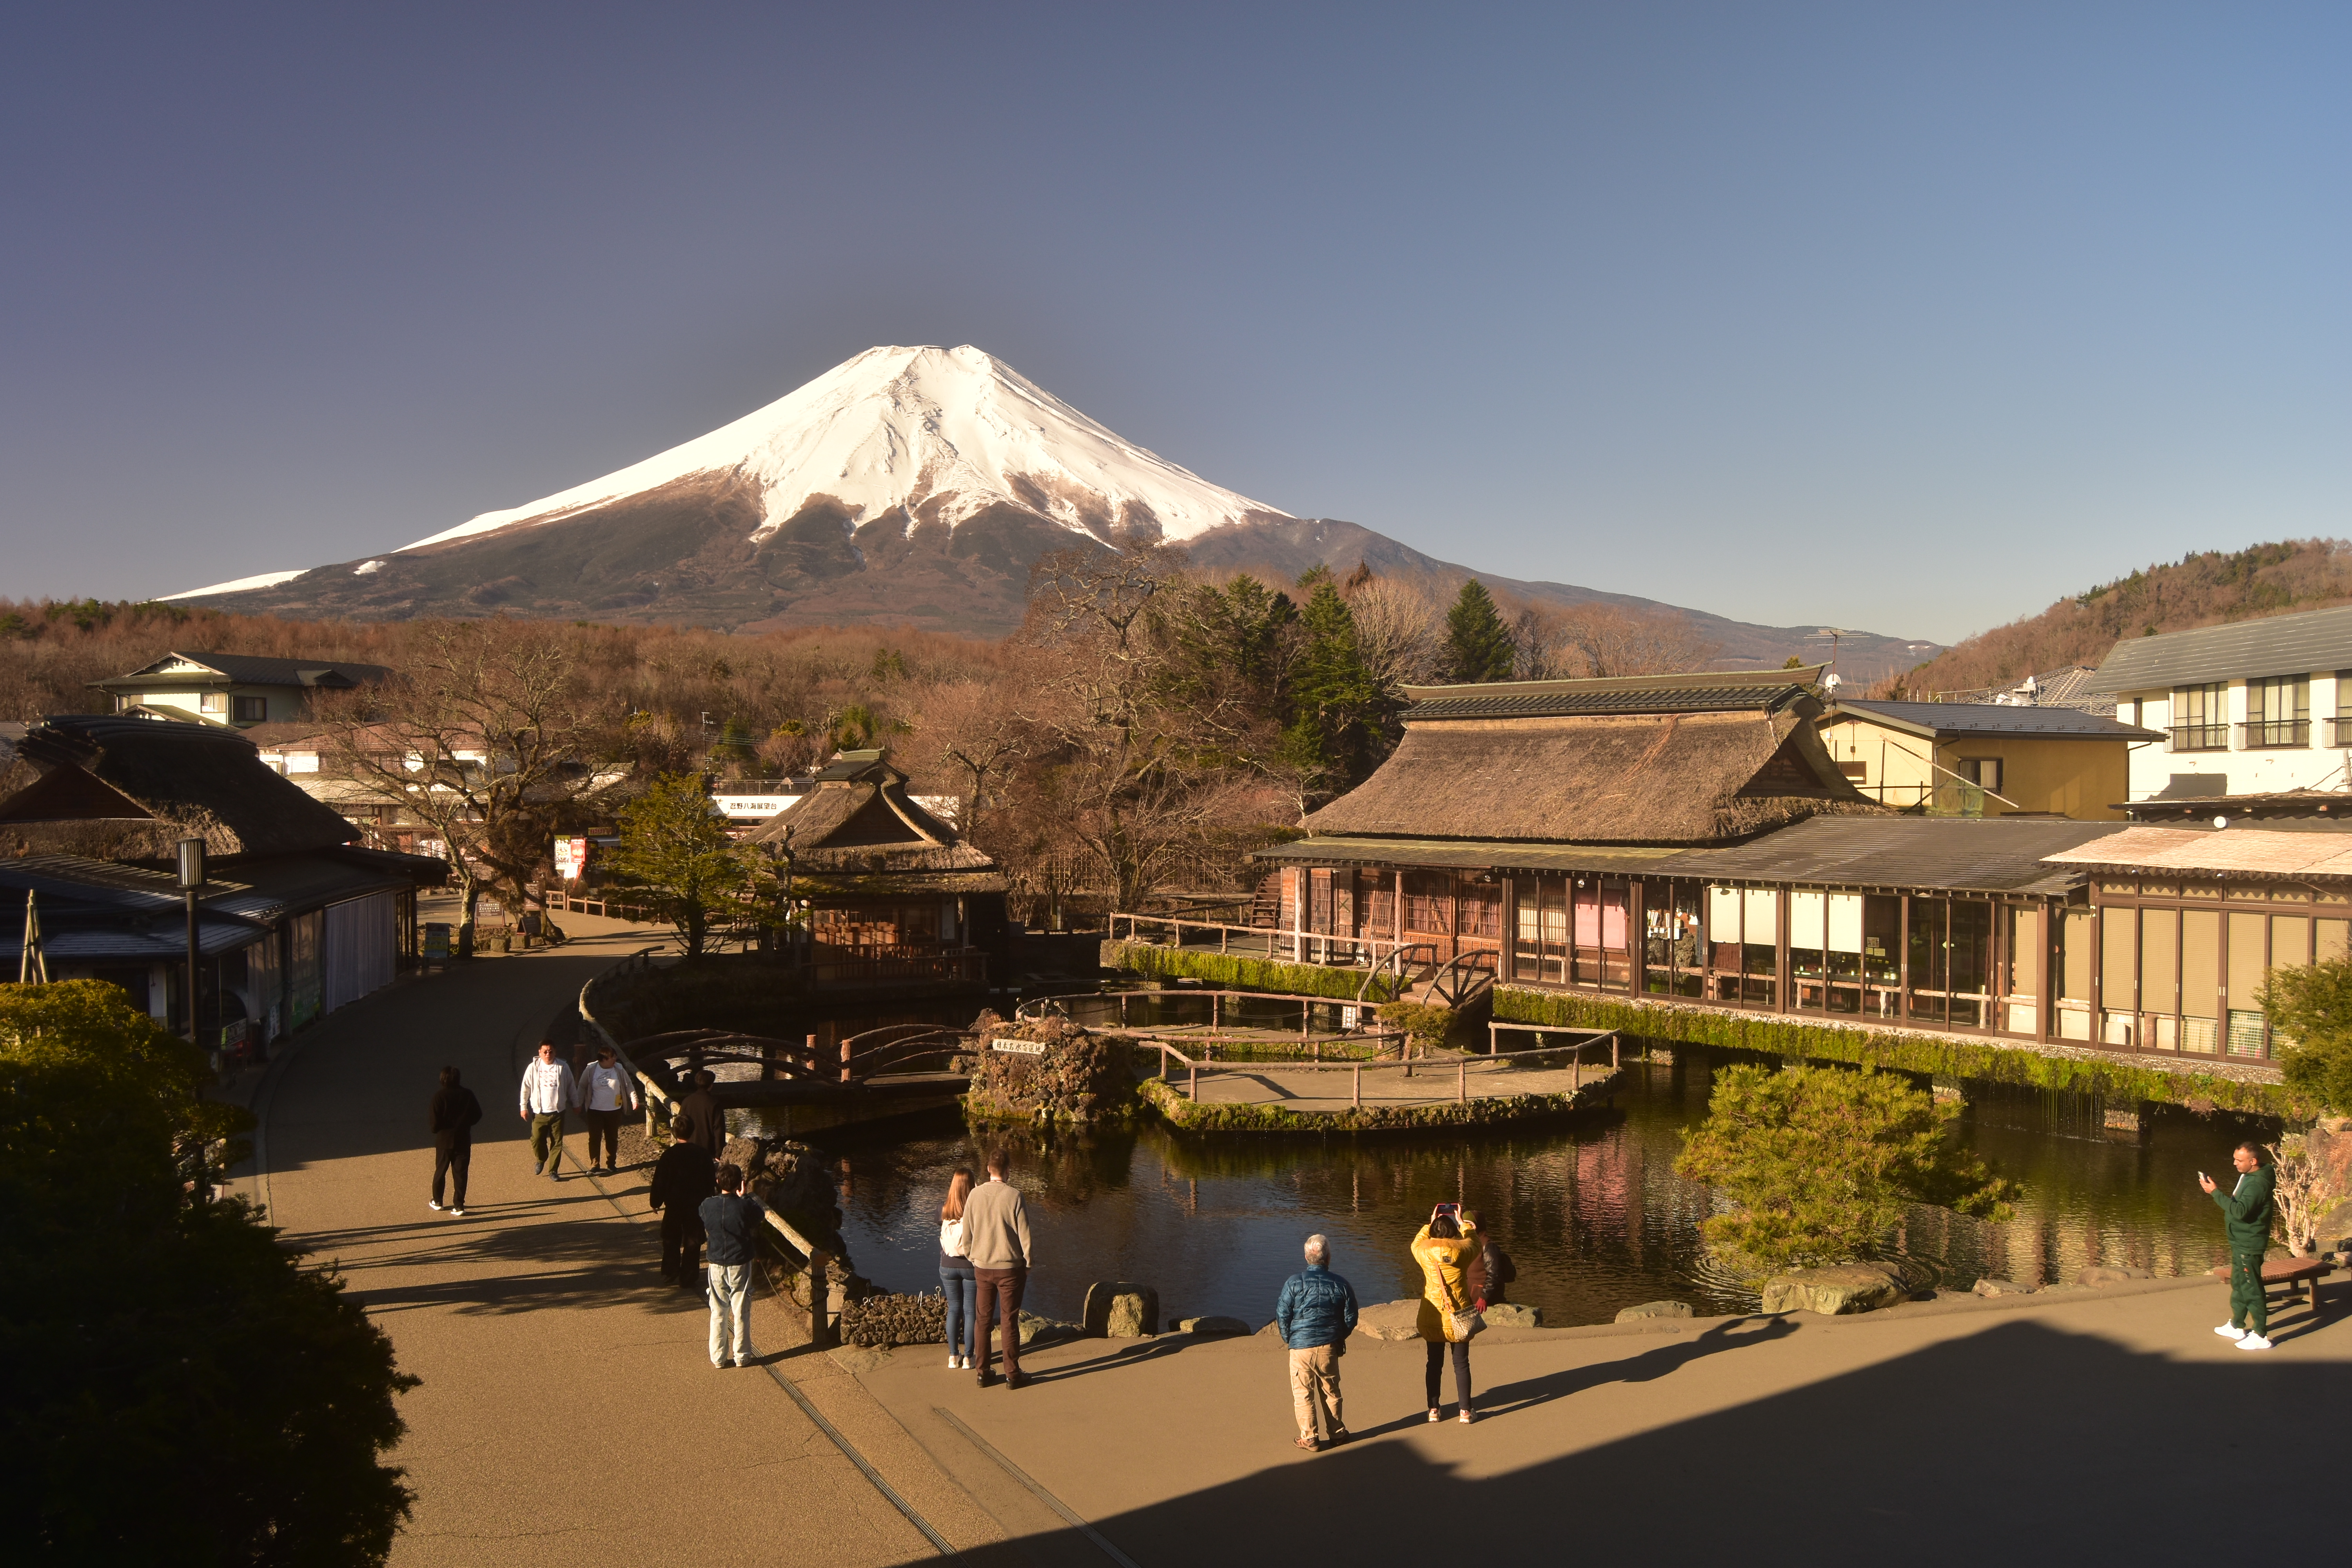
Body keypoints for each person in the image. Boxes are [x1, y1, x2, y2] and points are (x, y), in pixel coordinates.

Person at [1274, 1233, 1359, 1452]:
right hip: (1328, 1345)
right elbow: (1351, 1317)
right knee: (1331, 1391)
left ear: (1306, 1257)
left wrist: (1289, 1338)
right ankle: (1337, 1433)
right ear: (1328, 1257)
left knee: (1303, 1393)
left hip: (1300, 1345)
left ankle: (1310, 1437)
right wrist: (1339, 1336)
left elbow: (1283, 1314)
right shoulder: (1342, 1284)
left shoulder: (1293, 1282)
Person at [960, 1147, 1034, 1389]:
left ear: (988, 1169)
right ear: (1008, 1170)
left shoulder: (974, 1195)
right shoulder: (1015, 1196)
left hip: (982, 1266)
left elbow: (967, 1233)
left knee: (982, 1319)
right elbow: (1025, 1236)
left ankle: (982, 1372)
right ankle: (1012, 1374)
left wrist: (973, 1257)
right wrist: (1029, 1263)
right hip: (1011, 1269)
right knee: (1009, 1320)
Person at [2201, 1142, 2278, 1351]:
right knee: (2239, 1282)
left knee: (2251, 1287)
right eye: (2235, 1158)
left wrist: (2215, 1193)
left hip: (2249, 1243)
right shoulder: (2250, 1176)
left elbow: (2241, 1211)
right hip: (2239, 1241)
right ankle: (2237, 1325)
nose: (2235, 1163)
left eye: (2239, 1160)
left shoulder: (2257, 1184)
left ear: (2253, 1161)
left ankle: (2261, 1334)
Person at [1414, 1203, 1481, 1423]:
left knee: (1434, 1364)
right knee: (1461, 1363)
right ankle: (1465, 1411)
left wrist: (1429, 1222)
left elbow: (1416, 1243)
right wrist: (1464, 1224)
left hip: (1432, 1316)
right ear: (1454, 1232)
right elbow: (1475, 1243)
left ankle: (1434, 1410)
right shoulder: (1462, 1251)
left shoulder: (1423, 1252)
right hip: (1458, 1316)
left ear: (1433, 1230)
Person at [699, 1163, 768, 1368]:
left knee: (718, 1311)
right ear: (740, 1184)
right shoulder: (745, 1206)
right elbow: (759, 1215)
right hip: (740, 1262)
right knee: (741, 1309)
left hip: (716, 1263)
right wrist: (744, 1196)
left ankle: (718, 1357)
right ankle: (742, 1355)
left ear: (718, 1182)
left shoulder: (707, 1205)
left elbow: (702, 1216)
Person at [648, 1113, 717, 1290]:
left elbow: (660, 1181)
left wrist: (656, 1201)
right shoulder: (702, 1155)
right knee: (693, 1241)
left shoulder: (669, 1155)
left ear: (674, 1132)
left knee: (671, 1238)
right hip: (696, 1205)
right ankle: (688, 1276)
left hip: (674, 1204)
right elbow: (710, 1181)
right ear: (692, 1131)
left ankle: (670, 1271)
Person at [517, 1040, 576, 1180]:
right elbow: (525, 1088)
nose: (548, 1054)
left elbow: (571, 1086)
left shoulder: (563, 1067)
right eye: (545, 1052)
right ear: (540, 1053)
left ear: (555, 1052)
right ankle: (541, 1159)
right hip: (540, 1113)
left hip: (558, 1112)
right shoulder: (533, 1068)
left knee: (557, 1142)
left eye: (551, 1051)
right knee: (537, 1139)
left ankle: (553, 1171)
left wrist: (576, 1103)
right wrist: (523, 1107)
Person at [428, 1065, 483, 1214]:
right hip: (463, 1139)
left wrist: (439, 1129)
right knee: (460, 1173)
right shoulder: (467, 1095)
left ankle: (438, 1201)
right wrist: (465, 1124)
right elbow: (478, 1114)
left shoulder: (439, 1097)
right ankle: (459, 1205)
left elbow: (434, 1123)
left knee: (441, 1171)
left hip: (444, 1141)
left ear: (443, 1079)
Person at [938, 1167, 978, 1371]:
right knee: (971, 1311)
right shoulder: (976, 1208)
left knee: (954, 1309)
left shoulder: (944, 1208)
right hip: (970, 1266)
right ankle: (969, 1358)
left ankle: (953, 1356)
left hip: (947, 1266)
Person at [579, 1045, 639, 1176]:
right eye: (612, 1057)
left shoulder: (619, 1069)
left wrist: (634, 1100)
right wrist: (578, 1103)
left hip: (614, 1111)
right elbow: (582, 1087)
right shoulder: (591, 1069)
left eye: (615, 1056)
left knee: (612, 1138)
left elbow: (629, 1086)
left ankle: (611, 1163)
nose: (615, 1059)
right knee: (595, 1138)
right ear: (604, 1059)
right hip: (595, 1110)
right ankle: (595, 1164)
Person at [678, 1070, 727, 1160]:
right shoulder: (714, 1104)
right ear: (711, 1085)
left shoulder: (687, 1101)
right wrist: (719, 1153)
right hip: (707, 1150)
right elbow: (719, 1130)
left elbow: (680, 1124)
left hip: (689, 1147)